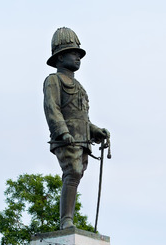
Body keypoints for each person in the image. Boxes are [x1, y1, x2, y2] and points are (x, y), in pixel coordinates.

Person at [43, 27, 110, 230]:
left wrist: (96, 131)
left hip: (82, 140)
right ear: (61, 57)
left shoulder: (79, 86)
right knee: (72, 172)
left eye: (79, 54)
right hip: (66, 138)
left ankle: (68, 218)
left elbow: (81, 118)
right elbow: (52, 108)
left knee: (77, 174)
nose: (78, 57)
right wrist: (62, 131)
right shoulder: (53, 80)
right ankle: (66, 220)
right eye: (73, 53)